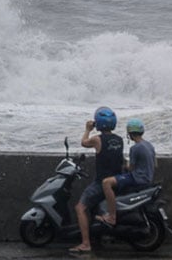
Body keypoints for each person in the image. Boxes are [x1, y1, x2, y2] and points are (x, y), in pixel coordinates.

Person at [69, 106, 124, 253]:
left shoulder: (97, 140)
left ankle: (86, 243)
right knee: (93, 208)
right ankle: (97, 235)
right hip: (117, 180)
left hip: (102, 182)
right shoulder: (119, 140)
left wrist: (87, 128)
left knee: (80, 208)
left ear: (98, 123)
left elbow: (84, 142)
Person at [96, 118, 156, 226]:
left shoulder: (135, 148)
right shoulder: (149, 145)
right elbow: (155, 164)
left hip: (138, 178)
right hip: (148, 177)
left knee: (106, 183)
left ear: (130, 133)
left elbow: (131, 168)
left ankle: (111, 217)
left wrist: (126, 165)